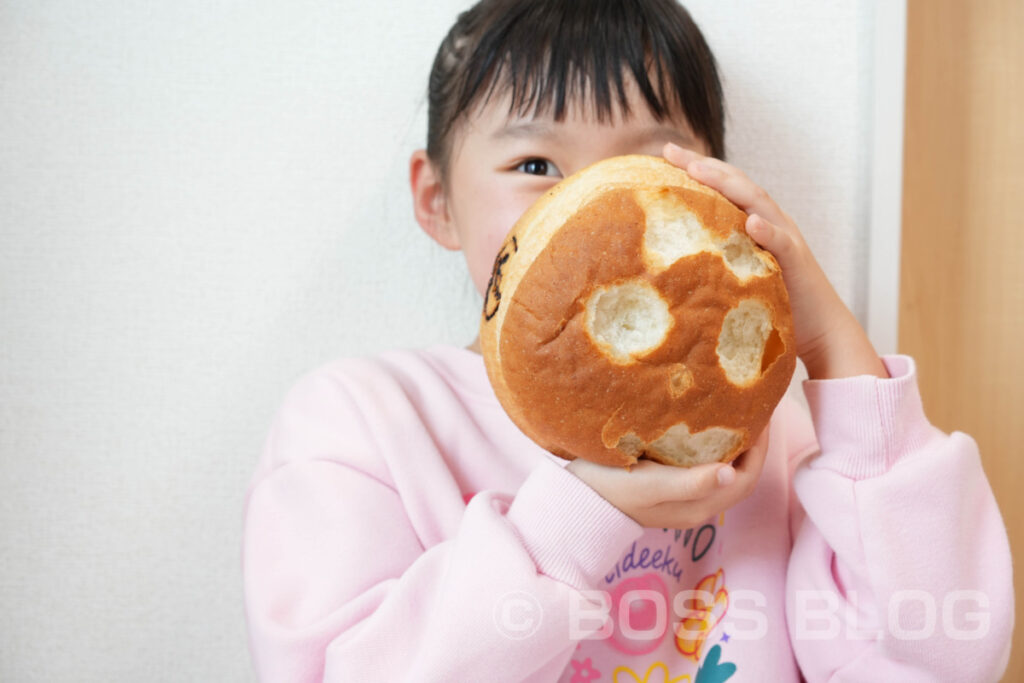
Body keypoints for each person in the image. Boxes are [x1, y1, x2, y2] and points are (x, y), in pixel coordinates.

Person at [242, 1, 1014, 680]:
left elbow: (941, 654)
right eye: (536, 164)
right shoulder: (364, 422)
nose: (591, 204)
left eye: (647, 162)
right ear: (436, 198)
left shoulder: (778, 436)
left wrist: (833, 346)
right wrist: (580, 514)